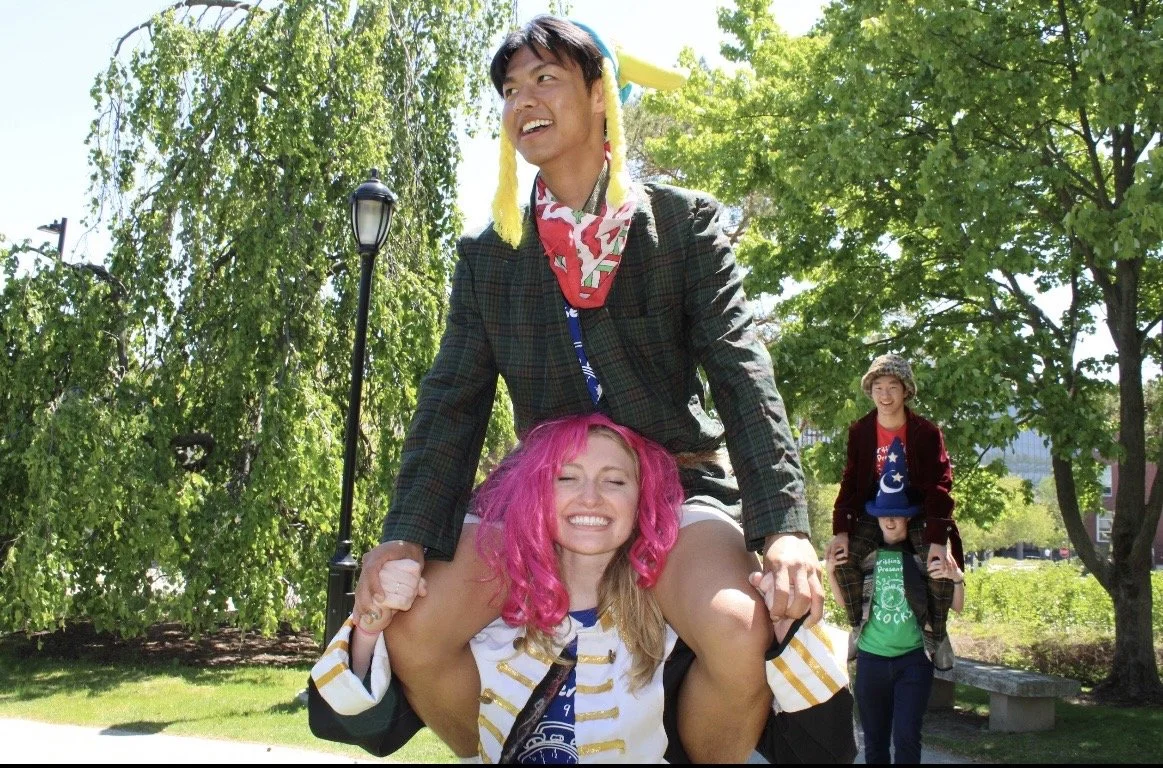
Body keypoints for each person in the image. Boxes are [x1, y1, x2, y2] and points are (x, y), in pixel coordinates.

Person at [352, 15, 823, 762]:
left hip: (677, 482)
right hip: (540, 492)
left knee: (739, 629)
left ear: (600, 93)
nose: (523, 101)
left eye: (545, 79)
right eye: (511, 89)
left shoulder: (682, 225)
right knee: (412, 626)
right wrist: (403, 537)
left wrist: (783, 529)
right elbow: (450, 404)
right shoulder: (489, 255)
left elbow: (742, 373)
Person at [309, 414, 854, 763]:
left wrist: (782, 629)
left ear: (643, 501)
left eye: (615, 480)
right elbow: (370, 715)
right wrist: (370, 627)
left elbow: (819, 746)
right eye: (566, 478)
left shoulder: (678, 637)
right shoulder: (488, 625)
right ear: (535, 496)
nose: (590, 496)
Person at [825, 461, 966, 765]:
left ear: (909, 517)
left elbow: (956, 606)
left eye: (897, 514)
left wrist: (956, 578)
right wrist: (830, 572)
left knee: (906, 737)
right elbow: (846, 604)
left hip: (913, 661)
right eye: (883, 514)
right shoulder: (866, 559)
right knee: (874, 743)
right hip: (871, 661)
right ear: (874, 517)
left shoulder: (922, 558)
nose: (889, 520)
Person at [827, 354, 964, 664]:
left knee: (937, 562)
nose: (885, 395)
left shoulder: (925, 432)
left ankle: (937, 634)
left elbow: (940, 485)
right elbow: (851, 481)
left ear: (905, 391)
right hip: (875, 509)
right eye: (878, 387)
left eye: (892, 387)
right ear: (870, 391)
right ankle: (858, 626)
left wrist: (938, 538)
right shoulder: (861, 431)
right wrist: (842, 530)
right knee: (843, 557)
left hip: (917, 510)